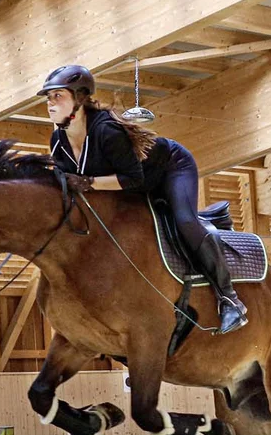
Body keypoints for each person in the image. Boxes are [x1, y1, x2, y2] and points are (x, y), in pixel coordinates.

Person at [39, 64, 247, 334]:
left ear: (79, 99)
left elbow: (132, 178)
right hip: (128, 188)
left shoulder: (106, 132)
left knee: (184, 221)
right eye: (48, 98)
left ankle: (230, 299)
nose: (50, 104)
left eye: (58, 97)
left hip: (170, 169)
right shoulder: (58, 141)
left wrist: (89, 182)